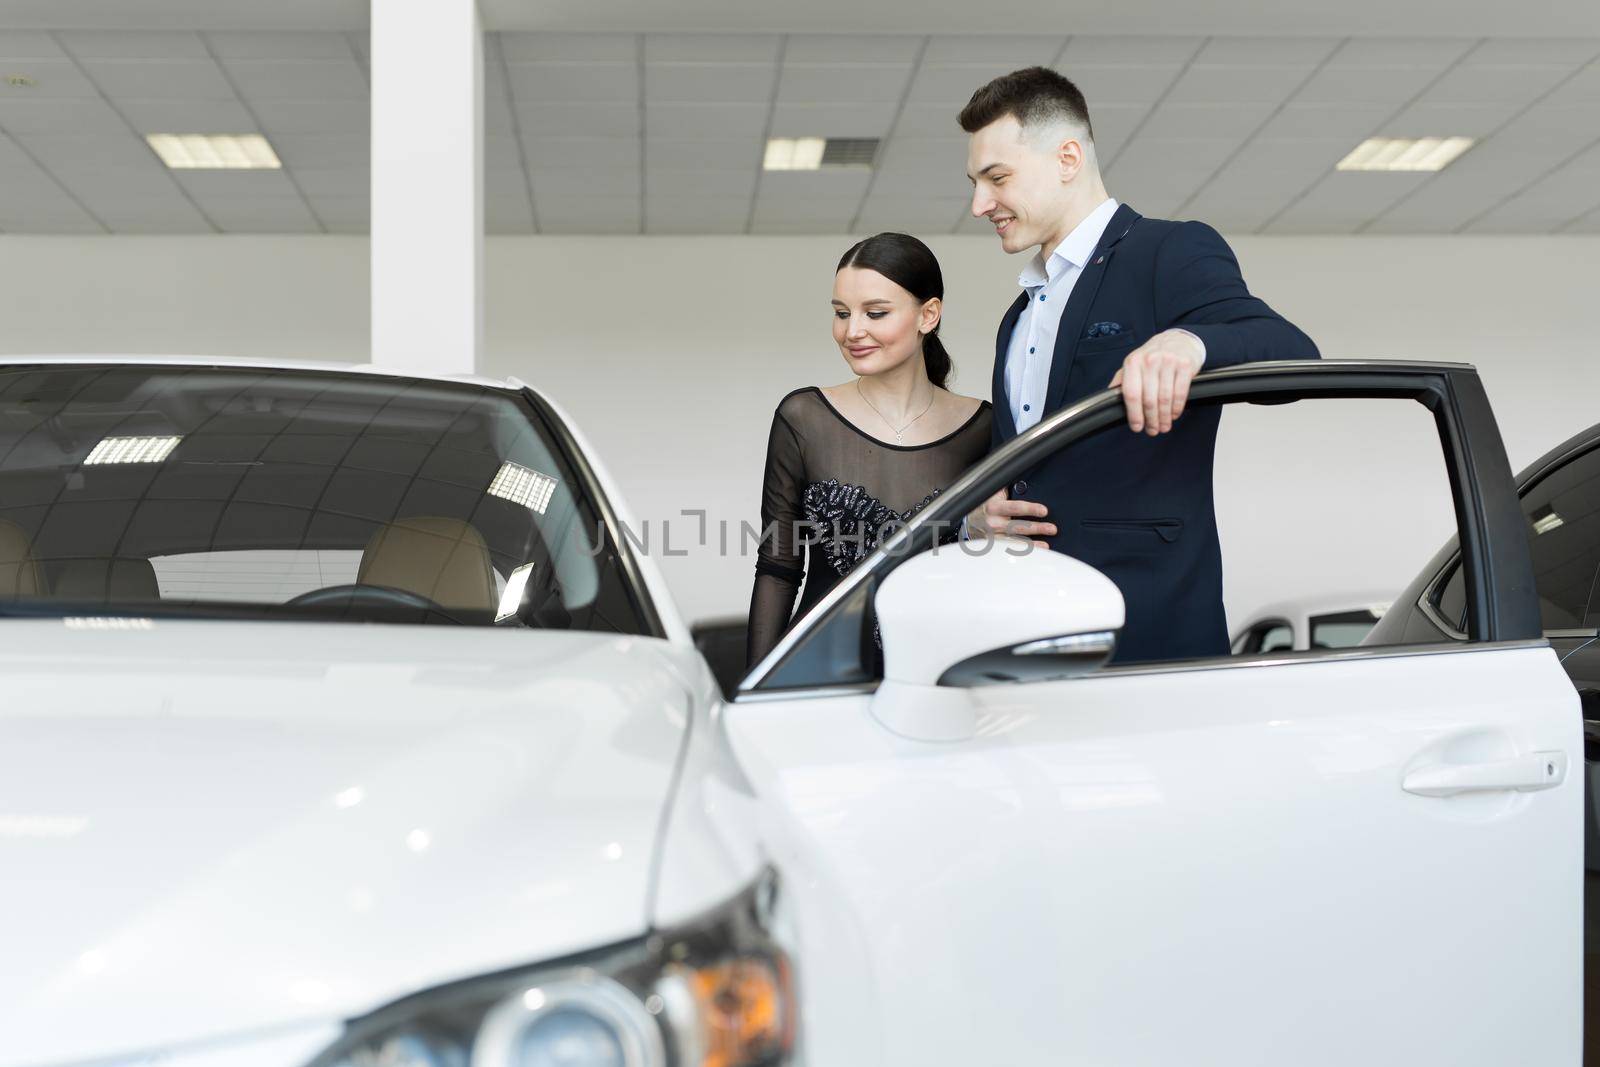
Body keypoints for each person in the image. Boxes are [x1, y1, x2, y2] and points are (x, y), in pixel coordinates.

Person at [960, 67, 1320, 664]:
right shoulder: (1017, 316)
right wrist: (981, 517)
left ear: (1068, 158)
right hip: (1027, 638)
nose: (979, 204)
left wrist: (1191, 342)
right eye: (975, 182)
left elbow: (1291, 352)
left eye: (997, 178)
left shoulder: (1168, 252)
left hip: (1148, 638)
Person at [747, 233, 991, 668]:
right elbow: (778, 568)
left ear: (928, 315)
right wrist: (754, 690)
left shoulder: (985, 428)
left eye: (874, 313)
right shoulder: (803, 417)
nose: (852, 331)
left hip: (940, 675)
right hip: (819, 671)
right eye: (841, 314)